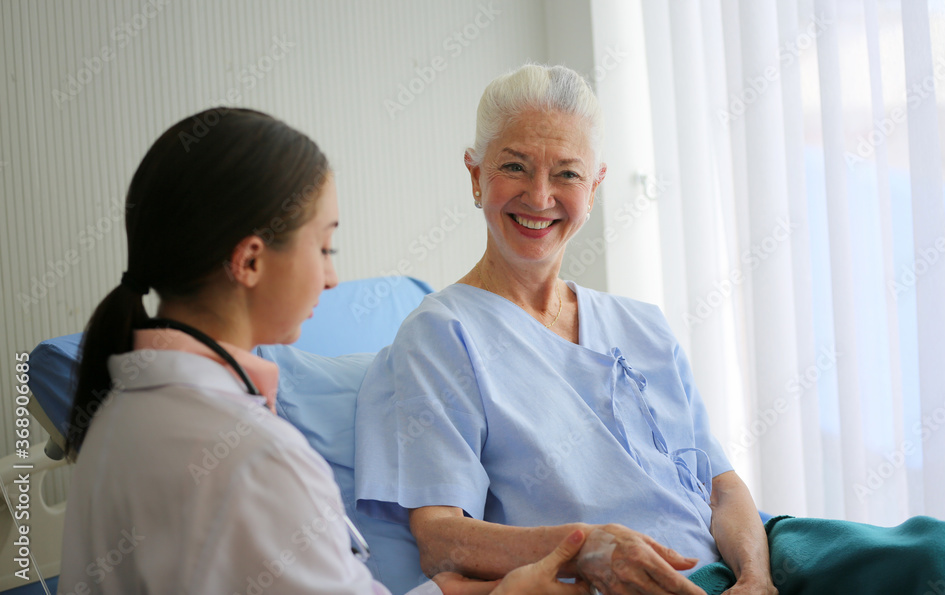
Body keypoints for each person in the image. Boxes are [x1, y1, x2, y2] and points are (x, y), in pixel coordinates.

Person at [353, 66, 945, 595]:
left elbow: (723, 488)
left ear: (595, 187)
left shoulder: (641, 324)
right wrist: (586, 545)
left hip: (760, 559)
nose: (540, 196)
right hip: (630, 584)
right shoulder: (443, 332)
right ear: (476, 175)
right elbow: (441, 538)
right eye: (515, 166)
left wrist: (756, 577)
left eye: (567, 173)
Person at [59, 108, 589, 595]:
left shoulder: (113, 416)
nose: (332, 277)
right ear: (250, 262)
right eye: (324, 247)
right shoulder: (256, 459)